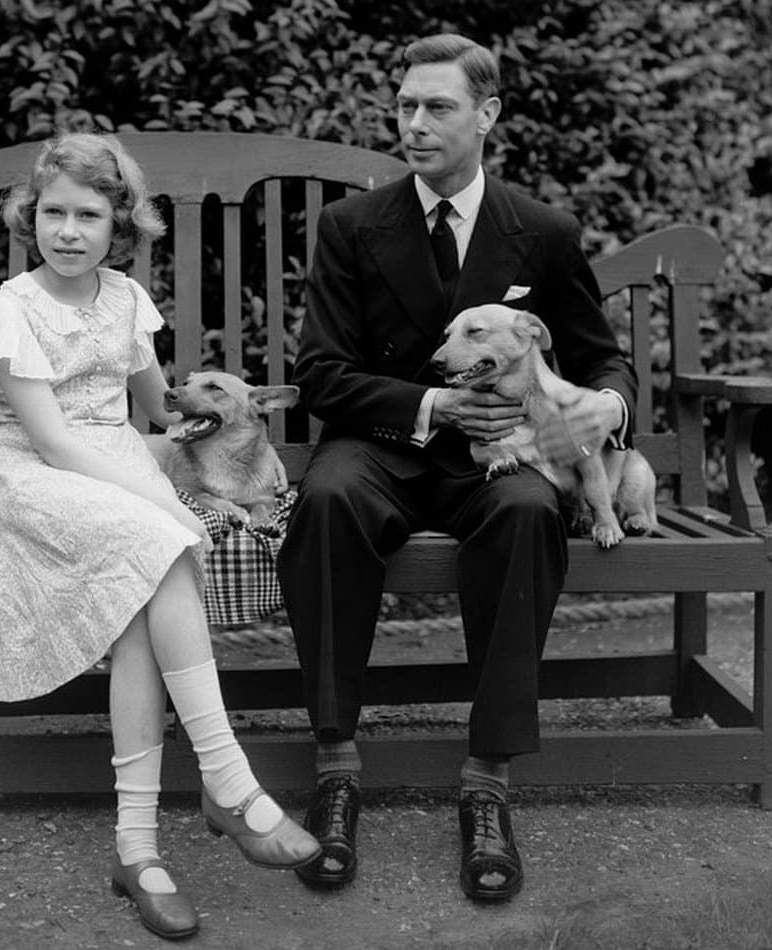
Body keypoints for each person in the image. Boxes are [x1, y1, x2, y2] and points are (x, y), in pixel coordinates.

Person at [0, 132, 320, 940]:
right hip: (36, 478)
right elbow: (54, 443)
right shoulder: (11, 312)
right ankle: (230, 785)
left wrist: (229, 424)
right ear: (31, 217)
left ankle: (138, 849)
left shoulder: (125, 299)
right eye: (52, 211)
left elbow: (159, 410)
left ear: (119, 224)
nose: (68, 230)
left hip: (118, 467)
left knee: (141, 614)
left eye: (88, 214)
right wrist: (165, 505)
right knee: (159, 543)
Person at [277, 33, 637, 901]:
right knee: (324, 501)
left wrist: (609, 407)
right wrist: (430, 405)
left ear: (488, 116)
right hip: (383, 446)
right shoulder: (351, 227)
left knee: (525, 512)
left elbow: (602, 359)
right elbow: (321, 373)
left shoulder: (542, 232)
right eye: (405, 106)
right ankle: (336, 770)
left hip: (504, 453)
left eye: (437, 107)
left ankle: (487, 784)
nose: (415, 122)